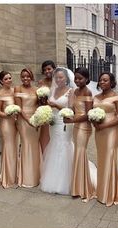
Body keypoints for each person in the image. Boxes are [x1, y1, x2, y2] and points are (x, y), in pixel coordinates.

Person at [40, 67, 75, 195]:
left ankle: (65, 181)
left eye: (61, 77)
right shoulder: (53, 90)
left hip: (64, 123)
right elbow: (48, 105)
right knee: (54, 145)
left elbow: (70, 109)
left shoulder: (71, 91)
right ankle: (52, 178)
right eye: (57, 77)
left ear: (66, 78)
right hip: (53, 123)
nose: (59, 80)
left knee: (63, 146)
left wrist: (56, 105)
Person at [92, 72, 118, 206]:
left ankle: (110, 192)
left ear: (111, 82)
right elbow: (91, 113)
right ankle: (102, 190)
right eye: (100, 80)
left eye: (105, 80)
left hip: (111, 131)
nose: (102, 82)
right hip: (99, 131)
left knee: (110, 158)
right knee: (102, 158)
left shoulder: (117, 97)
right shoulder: (96, 96)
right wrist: (94, 122)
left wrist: (105, 125)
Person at [65, 67, 96, 202]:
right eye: (76, 78)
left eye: (80, 78)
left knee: (80, 153)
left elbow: (88, 115)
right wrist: (67, 113)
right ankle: (77, 186)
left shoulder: (88, 92)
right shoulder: (75, 91)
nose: (77, 81)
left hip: (84, 127)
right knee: (78, 154)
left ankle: (84, 188)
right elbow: (73, 108)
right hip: (76, 126)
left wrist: (72, 119)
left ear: (87, 79)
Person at [14, 68, 41, 188]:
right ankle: (27, 177)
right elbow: (19, 108)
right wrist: (28, 121)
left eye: (28, 76)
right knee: (26, 145)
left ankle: (37, 175)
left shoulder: (36, 89)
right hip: (23, 120)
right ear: (21, 77)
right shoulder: (17, 89)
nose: (25, 78)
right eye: (23, 76)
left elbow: (39, 105)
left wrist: (38, 119)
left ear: (31, 77)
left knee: (35, 145)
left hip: (35, 121)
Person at [0, 71, 18, 188]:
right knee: (8, 147)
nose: (9, 80)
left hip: (15, 123)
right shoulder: (0, 94)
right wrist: (6, 115)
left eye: (10, 78)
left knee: (15, 146)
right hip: (6, 123)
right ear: (1, 81)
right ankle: (8, 176)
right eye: (6, 79)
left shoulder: (14, 91)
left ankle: (15, 173)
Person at [38, 60, 56, 153]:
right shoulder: (41, 82)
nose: (47, 71)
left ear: (54, 69)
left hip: (56, 111)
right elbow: (38, 99)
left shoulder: (59, 81)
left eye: (49, 69)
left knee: (55, 136)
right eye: (44, 70)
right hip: (45, 112)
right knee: (45, 136)